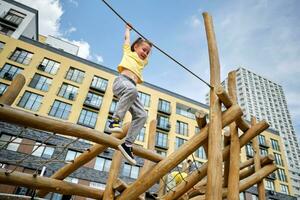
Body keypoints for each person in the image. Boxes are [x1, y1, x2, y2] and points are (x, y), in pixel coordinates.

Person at [108, 23, 152, 165]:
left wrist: (150, 46)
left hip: (131, 89)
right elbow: (126, 39)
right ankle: (114, 121)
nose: (145, 53)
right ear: (135, 47)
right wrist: (128, 29)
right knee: (132, 90)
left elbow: (148, 53)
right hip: (121, 82)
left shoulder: (143, 63)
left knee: (142, 115)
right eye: (143, 50)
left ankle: (127, 144)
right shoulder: (128, 52)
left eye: (147, 52)